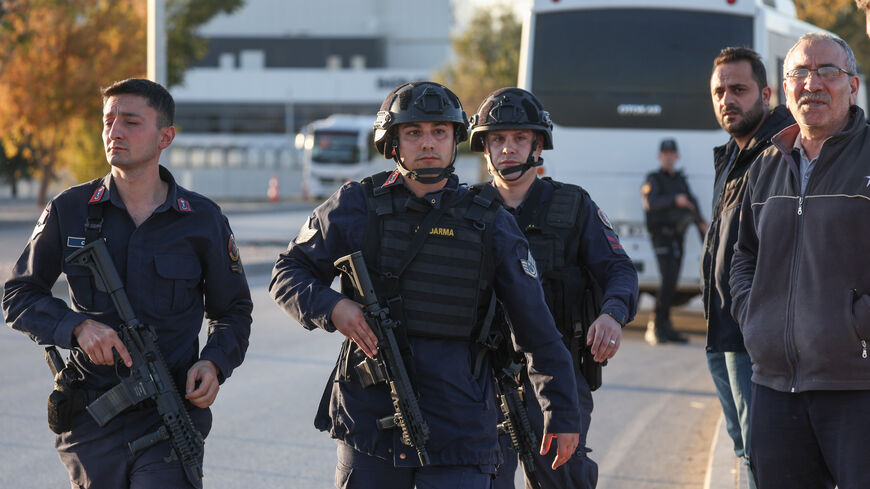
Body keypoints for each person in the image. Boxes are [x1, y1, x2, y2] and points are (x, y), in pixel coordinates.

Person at [269, 81, 581, 489]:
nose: (428, 143)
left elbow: (536, 327)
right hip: (371, 422)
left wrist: (561, 410)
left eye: (439, 132)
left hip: (461, 424)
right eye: (414, 132)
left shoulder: (491, 222)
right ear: (393, 142)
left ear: (456, 140)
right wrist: (334, 309)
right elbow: (288, 272)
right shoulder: (355, 205)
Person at [1, 78, 253, 488]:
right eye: (108, 120)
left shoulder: (202, 220)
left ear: (165, 137)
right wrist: (77, 328)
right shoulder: (69, 209)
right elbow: (18, 294)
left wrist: (214, 363)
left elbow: (233, 312)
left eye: (131, 122)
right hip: (91, 418)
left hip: (169, 413)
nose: (114, 131)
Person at [469, 88, 638, 489]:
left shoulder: (573, 206)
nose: (507, 149)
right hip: (479, 376)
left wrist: (612, 315)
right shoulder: (464, 209)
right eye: (497, 139)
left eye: (519, 138)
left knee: (563, 479)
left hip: (555, 372)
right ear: (485, 147)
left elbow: (619, 270)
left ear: (538, 144)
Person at [730, 33, 870, 489]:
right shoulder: (765, 165)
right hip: (774, 388)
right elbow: (743, 254)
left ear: (852, 86)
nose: (813, 83)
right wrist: (754, 317)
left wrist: (859, 323)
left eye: (827, 71)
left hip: (856, 387)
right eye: (800, 74)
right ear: (785, 89)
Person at [705, 46, 795, 489]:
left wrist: (756, 323)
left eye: (738, 90)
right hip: (722, 330)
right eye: (719, 91)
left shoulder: (781, 151)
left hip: (753, 335)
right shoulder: (732, 154)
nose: (727, 100)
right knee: (743, 446)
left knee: (758, 452)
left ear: (767, 92)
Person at [641, 139, 708, 345]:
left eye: (672, 153)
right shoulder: (654, 179)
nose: (669, 156)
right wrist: (673, 200)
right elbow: (651, 203)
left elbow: (692, 202)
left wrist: (702, 226)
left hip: (678, 237)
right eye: (665, 153)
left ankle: (666, 326)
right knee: (668, 280)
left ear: (677, 156)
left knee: (672, 283)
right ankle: (655, 325)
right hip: (661, 235)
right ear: (660, 156)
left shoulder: (680, 179)